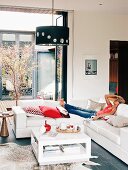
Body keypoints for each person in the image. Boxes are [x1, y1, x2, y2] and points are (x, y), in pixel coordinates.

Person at [59, 94, 125, 120]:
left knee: (78, 112)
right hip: (94, 112)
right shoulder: (110, 105)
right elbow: (106, 96)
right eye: (116, 100)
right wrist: (116, 96)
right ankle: (65, 105)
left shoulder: (114, 109)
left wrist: (98, 116)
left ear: (118, 103)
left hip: (93, 115)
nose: (115, 100)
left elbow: (108, 114)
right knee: (78, 108)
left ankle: (64, 108)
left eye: (117, 100)